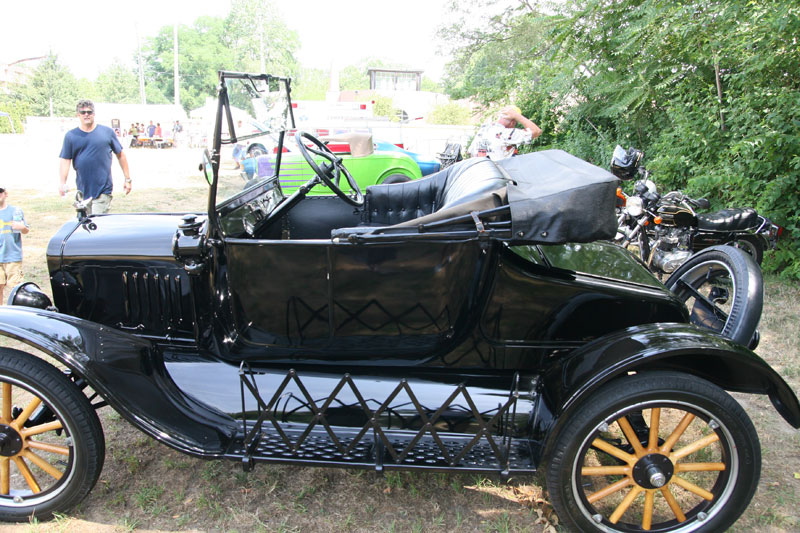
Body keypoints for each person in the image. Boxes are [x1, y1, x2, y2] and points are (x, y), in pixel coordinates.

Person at [58, 100, 132, 214]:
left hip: (103, 189)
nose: (86, 114)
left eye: (89, 112)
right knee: (86, 227)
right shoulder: (71, 136)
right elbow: (65, 160)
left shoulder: (106, 132)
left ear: (94, 114)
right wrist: (62, 183)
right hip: (83, 191)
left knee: (98, 224)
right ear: (78, 115)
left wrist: (127, 179)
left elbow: (120, 155)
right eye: (83, 112)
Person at [468, 105, 542, 160]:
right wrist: (518, 116)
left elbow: (470, 152)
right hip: (500, 178)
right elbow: (537, 131)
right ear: (512, 123)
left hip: (481, 176)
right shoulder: (507, 134)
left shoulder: (483, 130)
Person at [0, 187, 29, 304]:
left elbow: (25, 230)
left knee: (15, 289)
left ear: (5, 194)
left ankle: (14, 313)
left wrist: (22, 227)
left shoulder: (15, 211)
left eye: (0, 192)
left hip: (12, 256)